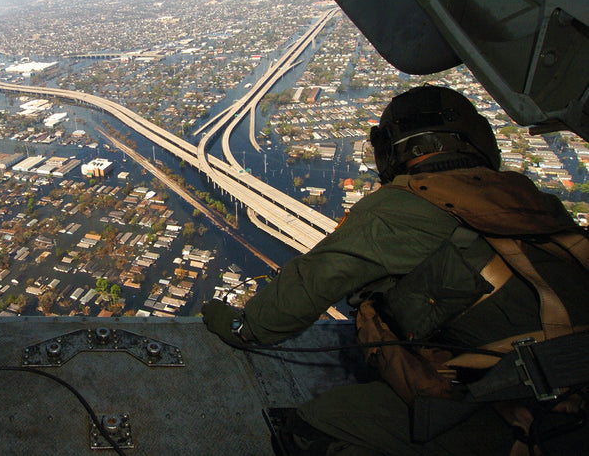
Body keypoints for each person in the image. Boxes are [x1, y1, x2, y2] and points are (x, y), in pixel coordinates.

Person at [204, 85, 589, 455]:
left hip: (538, 416)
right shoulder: (527, 197)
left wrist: (243, 327)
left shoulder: (403, 205)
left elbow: (309, 284)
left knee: (320, 423)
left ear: (392, 149)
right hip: (559, 390)